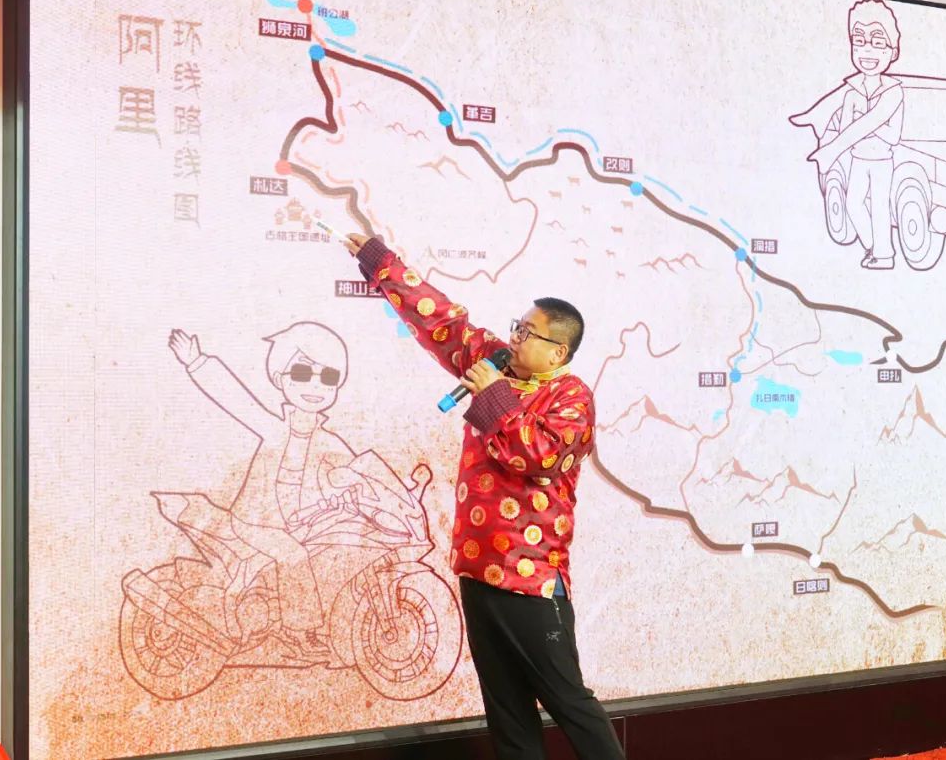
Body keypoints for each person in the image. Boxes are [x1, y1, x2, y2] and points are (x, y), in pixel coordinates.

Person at [346, 232, 625, 760]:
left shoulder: (571, 397)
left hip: (530, 579)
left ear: (558, 351)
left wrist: (492, 393)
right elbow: (443, 322)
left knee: (568, 700)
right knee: (507, 712)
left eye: (528, 333)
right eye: (517, 326)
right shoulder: (495, 362)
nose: (514, 338)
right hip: (478, 570)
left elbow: (539, 456)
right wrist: (381, 264)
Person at [168, 322, 356, 658]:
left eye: (328, 376)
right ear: (281, 378)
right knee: (294, 555)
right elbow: (236, 400)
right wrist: (197, 362)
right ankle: (297, 633)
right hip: (256, 521)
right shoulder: (276, 430)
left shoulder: (327, 440)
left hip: (295, 522)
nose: (316, 384)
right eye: (302, 372)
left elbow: (357, 469)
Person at [810, 0, 905, 270]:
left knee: (879, 207)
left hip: (882, 161)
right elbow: (846, 129)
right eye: (859, 41)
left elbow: (893, 136)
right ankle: (875, 248)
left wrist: (866, 125)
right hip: (858, 159)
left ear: (892, 51)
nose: (867, 50)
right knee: (853, 205)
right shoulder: (851, 93)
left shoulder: (893, 92)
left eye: (877, 42)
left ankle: (884, 256)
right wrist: (866, 126)